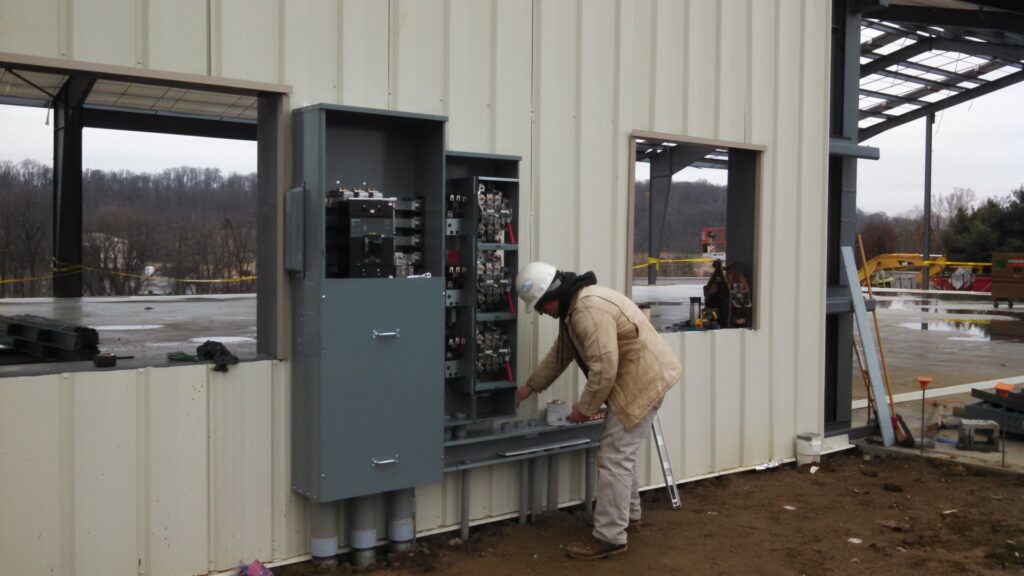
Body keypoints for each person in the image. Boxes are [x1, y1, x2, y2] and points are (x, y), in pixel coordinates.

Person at [514, 261, 682, 560]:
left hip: (641, 383)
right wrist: (530, 387)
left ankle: (610, 537)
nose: (540, 313)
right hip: (639, 379)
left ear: (551, 296)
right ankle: (626, 518)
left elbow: (604, 368)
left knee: (614, 458)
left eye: (539, 306)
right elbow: (561, 355)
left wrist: (584, 408)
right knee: (620, 454)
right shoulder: (574, 309)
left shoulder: (586, 312)